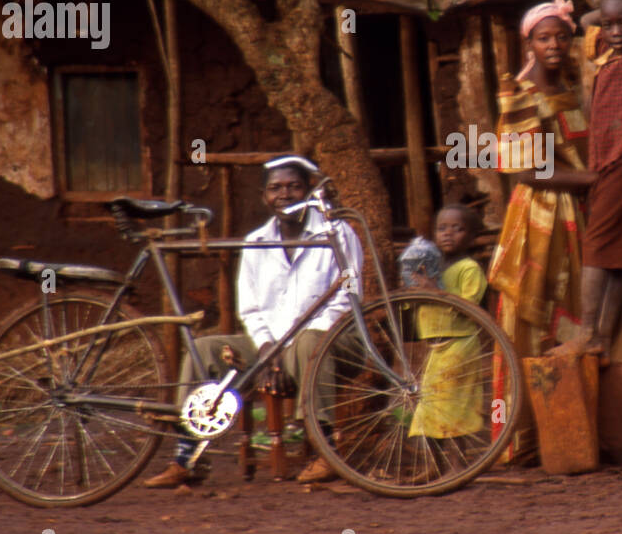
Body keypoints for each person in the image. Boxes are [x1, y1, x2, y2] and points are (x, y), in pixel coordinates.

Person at [143, 154, 363, 488]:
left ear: (308, 191)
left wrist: (283, 349)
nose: (285, 194)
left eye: (294, 187)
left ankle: (325, 450)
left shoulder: (337, 232)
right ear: (264, 196)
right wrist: (266, 349)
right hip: (269, 345)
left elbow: (347, 297)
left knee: (309, 341)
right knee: (204, 350)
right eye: (276, 188)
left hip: (331, 341)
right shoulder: (256, 242)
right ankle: (188, 456)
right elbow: (250, 309)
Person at [488, 0, 595, 458]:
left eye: (561, 36)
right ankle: (520, 437)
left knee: (571, 312)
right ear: (528, 42)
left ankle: (564, 429)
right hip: (539, 217)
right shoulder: (520, 93)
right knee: (529, 318)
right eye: (543, 37)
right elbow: (527, 173)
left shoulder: (569, 86)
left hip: (574, 217)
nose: (554, 44)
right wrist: (593, 179)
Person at [554, 0, 622, 357]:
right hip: (610, 162)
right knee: (616, 258)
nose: (614, 31)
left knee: (597, 248)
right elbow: (587, 21)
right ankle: (601, 337)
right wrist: (608, 8)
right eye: (609, 24)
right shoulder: (605, 51)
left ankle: (586, 332)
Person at [407, 205, 488, 466]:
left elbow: (470, 306)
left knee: (452, 408)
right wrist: (413, 287)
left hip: (459, 345)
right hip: (435, 347)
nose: (448, 234)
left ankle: (457, 466)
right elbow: (414, 301)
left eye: (458, 228)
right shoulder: (431, 268)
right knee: (429, 409)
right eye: (442, 228)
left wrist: (434, 290)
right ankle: (435, 468)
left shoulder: (469, 268)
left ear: (472, 237)